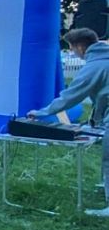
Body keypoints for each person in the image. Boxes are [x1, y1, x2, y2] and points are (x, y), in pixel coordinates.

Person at [28, 28, 109, 216]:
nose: (73, 52)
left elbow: (71, 96)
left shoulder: (94, 66)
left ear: (80, 47)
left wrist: (41, 113)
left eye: (72, 48)